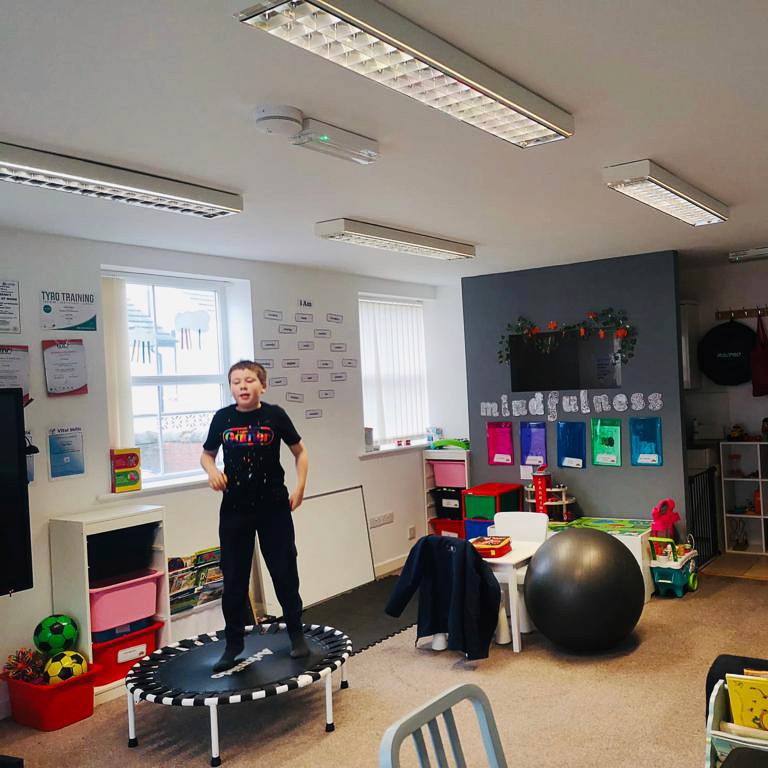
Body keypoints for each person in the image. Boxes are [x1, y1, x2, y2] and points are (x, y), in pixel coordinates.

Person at [201, 360, 309, 672]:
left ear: (262, 385)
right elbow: (207, 454)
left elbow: (300, 451)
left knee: (284, 571)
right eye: (236, 382)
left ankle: (296, 634)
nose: (243, 386)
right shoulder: (222, 418)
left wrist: (300, 488)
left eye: (249, 380)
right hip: (235, 509)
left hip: (273, 507)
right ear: (231, 387)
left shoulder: (274, 415)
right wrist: (212, 472)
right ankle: (233, 643)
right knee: (234, 577)